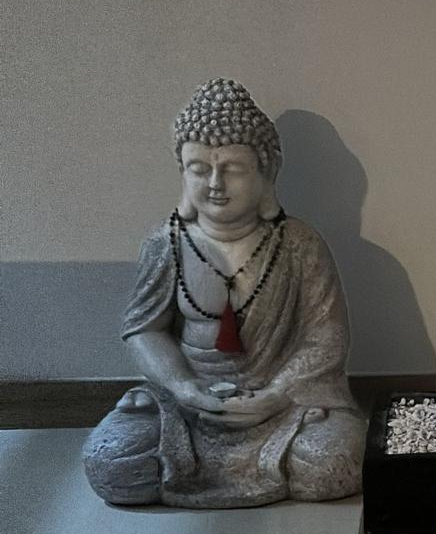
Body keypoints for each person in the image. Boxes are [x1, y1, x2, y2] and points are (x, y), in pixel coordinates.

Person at [82, 78, 365, 507]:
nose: (215, 183)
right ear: (182, 171)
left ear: (266, 170)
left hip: (284, 407)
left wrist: (274, 395)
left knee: (333, 462)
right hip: (189, 410)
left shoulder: (299, 244)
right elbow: (144, 329)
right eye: (199, 169)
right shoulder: (167, 243)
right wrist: (183, 386)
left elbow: (327, 338)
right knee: (112, 461)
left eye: (232, 169)